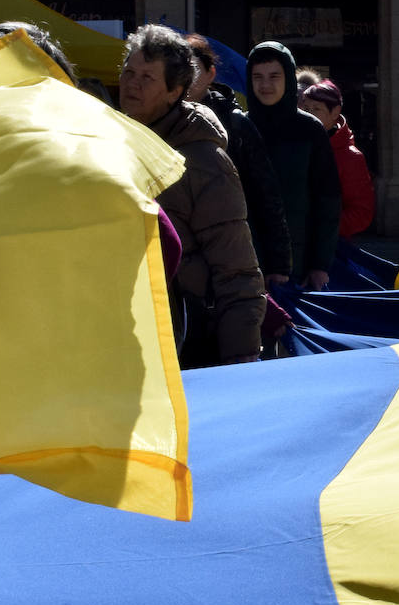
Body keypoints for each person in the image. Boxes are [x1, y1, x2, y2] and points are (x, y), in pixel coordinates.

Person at [120, 24, 266, 366]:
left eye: (147, 77)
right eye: (129, 72)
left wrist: (241, 355)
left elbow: (237, 268)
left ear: (176, 90)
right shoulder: (110, 142)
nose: (132, 84)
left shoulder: (205, 162)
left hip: (187, 335)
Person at [184, 34, 292, 286]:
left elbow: (266, 196)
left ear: (211, 74)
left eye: (192, 70)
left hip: (237, 250)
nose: (186, 79)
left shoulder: (237, 124)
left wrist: (278, 264)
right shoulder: (160, 121)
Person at [245, 41, 341, 291]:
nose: (265, 85)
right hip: (245, 264)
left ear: (287, 77)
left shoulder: (310, 129)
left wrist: (320, 264)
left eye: (274, 76)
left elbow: (327, 200)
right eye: (258, 77)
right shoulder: (238, 129)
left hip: (298, 266)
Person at [299, 79, 374, 238]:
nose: (309, 114)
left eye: (316, 109)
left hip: (331, 249)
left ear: (335, 112)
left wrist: (321, 226)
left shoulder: (351, 157)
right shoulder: (297, 145)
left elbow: (361, 213)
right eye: (306, 108)